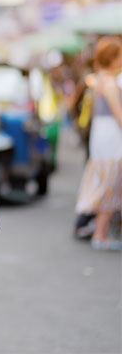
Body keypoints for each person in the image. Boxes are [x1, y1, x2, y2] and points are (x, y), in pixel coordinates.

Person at [75, 36, 122, 250]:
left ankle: (97, 230)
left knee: (104, 182)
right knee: (109, 184)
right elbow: (119, 115)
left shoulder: (98, 79)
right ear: (112, 58)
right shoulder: (110, 82)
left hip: (100, 136)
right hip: (111, 137)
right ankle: (100, 235)